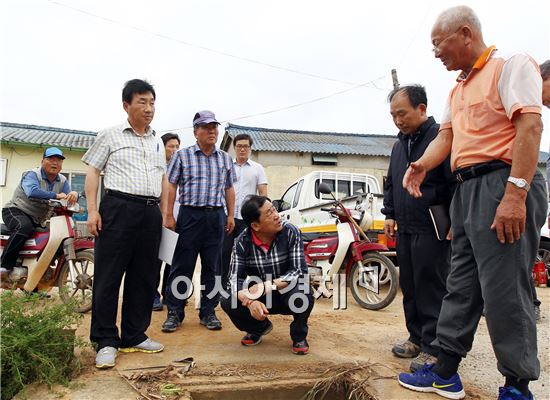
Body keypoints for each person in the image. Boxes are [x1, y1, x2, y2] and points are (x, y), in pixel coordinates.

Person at [398, 6, 546, 400]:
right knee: (460, 285)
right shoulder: (458, 88)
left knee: (505, 290)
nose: (435, 53)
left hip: (502, 183)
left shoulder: (510, 67)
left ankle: (517, 385)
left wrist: (516, 193)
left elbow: (530, 126)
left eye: (438, 43)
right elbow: (446, 138)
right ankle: (445, 371)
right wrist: (422, 165)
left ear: (464, 33)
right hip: (466, 191)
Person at [83, 79, 166, 369]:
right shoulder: (110, 135)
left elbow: (163, 181)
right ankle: (106, 340)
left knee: (144, 277)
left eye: (152, 102)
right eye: (142, 102)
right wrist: (92, 210)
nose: (148, 108)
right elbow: (93, 172)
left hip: (150, 212)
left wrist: (164, 215)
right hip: (117, 208)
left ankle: (133, 334)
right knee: (109, 276)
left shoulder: (157, 141)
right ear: (126, 105)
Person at [382, 84, 454, 373]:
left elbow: (451, 182)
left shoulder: (440, 139)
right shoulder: (400, 145)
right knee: (409, 284)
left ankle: (433, 346)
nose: (398, 120)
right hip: (405, 227)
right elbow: (391, 182)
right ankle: (415, 336)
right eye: (393, 115)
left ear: (422, 109)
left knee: (431, 285)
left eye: (402, 113)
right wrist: (389, 213)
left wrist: (453, 219)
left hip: (432, 224)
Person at [161, 110, 236, 333]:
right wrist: (168, 214)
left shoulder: (224, 158)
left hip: (216, 217)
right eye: (206, 127)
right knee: (182, 265)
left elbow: (229, 188)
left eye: (214, 127)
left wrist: (231, 215)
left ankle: (208, 311)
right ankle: (175, 312)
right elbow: (171, 185)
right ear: (196, 132)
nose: (212, 131)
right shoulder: (182, 156)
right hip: (189, 216)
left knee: (213, 267)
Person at [221, 195, 314, 355]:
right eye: (269, 214)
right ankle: (258, 328)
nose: (277, 215)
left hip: (287, 291)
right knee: (228, 300)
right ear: (255, 226)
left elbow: (299, 272)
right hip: (262, 298)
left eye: (274, 209)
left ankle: (299, 335)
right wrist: (249, 302)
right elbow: (234, 280)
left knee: (304, 292)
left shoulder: (290, 232)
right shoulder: (242, 242)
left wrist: (267, 285)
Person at [1, 147, 78, 281]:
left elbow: (66, 198)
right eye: (51, 159)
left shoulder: (63, 181)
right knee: (23, 227)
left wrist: (74, 194)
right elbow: (32, 192)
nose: (55, 163)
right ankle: (4, 266)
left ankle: (35, 282)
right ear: (43, 161)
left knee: (53, 239)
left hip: (36, 219)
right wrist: (56, 195)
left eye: (59, 160)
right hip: (16, 210)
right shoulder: (32, 174)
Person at [221, 133, 268, 288]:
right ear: (234, 148)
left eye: (245, 146)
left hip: (247, 220)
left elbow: (263, 194)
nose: (242, 149)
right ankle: (221, 289)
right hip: (227, 217)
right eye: (239, 146)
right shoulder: (227, 166)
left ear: (250, 148)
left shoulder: (258, 169)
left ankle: (247, 288)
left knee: (247, 255)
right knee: (223, 254)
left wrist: (261, 217)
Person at [152, 132, 181, 311]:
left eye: (177, 146)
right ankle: (152, 294)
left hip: (178, 222)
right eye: (171, 146)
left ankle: (168, 295)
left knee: (173, 261)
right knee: (156, 261)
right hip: (158, 220)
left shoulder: (182, 167)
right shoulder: (157, 167)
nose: (174, 150)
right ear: (163, 148)